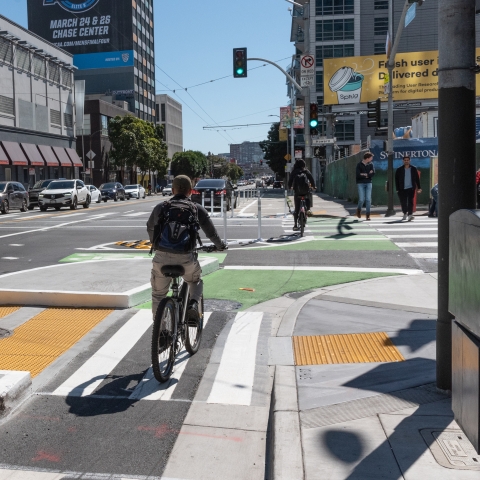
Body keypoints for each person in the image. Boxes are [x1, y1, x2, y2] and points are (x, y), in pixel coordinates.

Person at [147, 175, 226, 321]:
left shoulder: (161, 207)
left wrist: (156, 243)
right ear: (190, 191)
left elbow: (150, 226)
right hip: (186, 258)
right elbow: (211, 233)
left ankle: (161, 332)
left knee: (158, 295)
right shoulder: (196, 209)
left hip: (162, 257)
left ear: (172, 190)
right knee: (195, 281)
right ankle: (193, 305)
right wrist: (220, 246)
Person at [288, 159, 316, 231]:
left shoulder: (294, 172)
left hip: (297, 192)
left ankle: (295, 225)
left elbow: (290, 180)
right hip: (305, 191)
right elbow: (311, 179)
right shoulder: (306, 171)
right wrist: (313, 186)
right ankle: (308, 209)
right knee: (308, 197)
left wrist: (290, 187)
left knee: (297, 209)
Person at [395, 156, 422, 221]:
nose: (406, 161)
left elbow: (417, 179)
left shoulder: (413, 169)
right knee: (403, 202)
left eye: (407, 160)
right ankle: (405, 213)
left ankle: (410, 214)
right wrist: (397, 189)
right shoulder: (399, 169)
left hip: (411, 188)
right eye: (405, 160)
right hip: (402, 188)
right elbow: (396, 180)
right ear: (403, 161)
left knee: (410, 201)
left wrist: (419, 187)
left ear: (410, 161)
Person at [355, 152, 375, 221]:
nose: (371, 159)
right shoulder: (359, 165)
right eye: (371, 158)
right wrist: (367, 174)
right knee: (361, 199)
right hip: (360, 183)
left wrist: (364, 174)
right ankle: (359, 209)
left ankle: (368, 215)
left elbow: (373, 173)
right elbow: (358, 174)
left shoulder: (371, 164)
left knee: (368, 199)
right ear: (367, 158)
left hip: (369, 183)